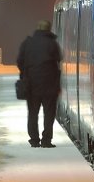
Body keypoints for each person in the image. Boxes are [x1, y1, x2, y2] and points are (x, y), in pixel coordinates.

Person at [16, 19, 62, 148]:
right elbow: (58, 59)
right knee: (49, 113)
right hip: (50, 84)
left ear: (37, 28)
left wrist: (26, 73)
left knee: (32, 113)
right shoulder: (52, 43)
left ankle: (34, 140)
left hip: (31, 84)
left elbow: (20, 61)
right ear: (49, 29)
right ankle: (46, 140)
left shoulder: (27, 43)